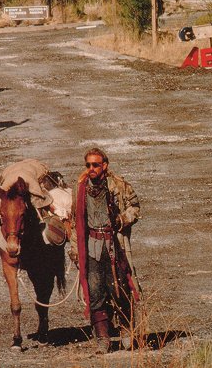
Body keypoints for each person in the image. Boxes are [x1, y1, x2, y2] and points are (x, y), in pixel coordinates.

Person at [69, 147, 142, 354]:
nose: (91, 169)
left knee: (120, 288)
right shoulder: (80, 187)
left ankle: (128, 331)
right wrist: (75, 249)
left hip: (114, 245)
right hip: (91, 246)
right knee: (95, 292)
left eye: (95, 165)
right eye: (88, 165)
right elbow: (76, 221)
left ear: (104, 165)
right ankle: (103, 339)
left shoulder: (118, 185)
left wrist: (121, 219)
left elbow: (135, 208)